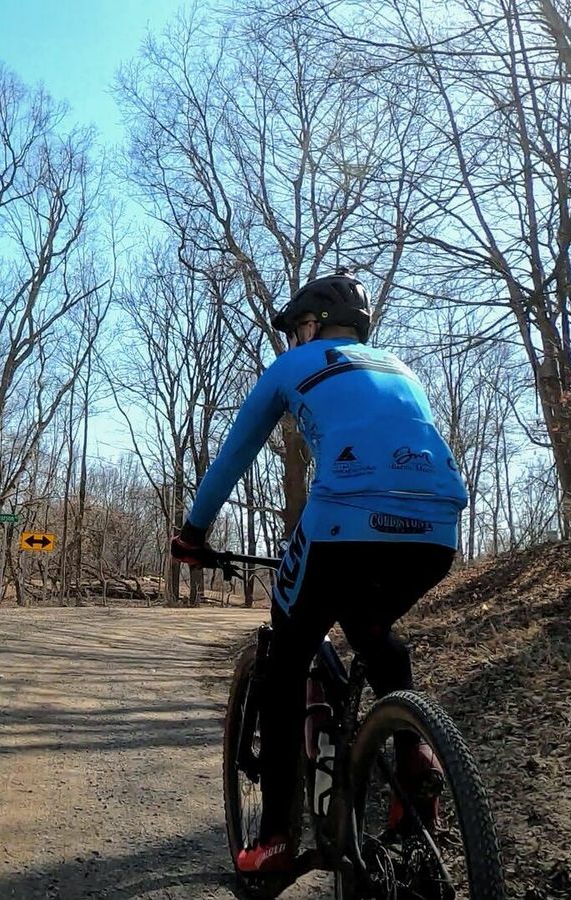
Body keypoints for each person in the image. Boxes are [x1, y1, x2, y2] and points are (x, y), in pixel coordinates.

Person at [170, 270, 467, 874]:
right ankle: (416, 759)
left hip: (342, 525)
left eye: (296, 329)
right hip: (436, 531)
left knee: (287, 657)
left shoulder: (292, 366)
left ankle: (277, 836)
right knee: (374, 631)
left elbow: (234, 454)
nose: (293, 339)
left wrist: (194, 534)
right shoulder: (402, 370)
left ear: (311, 325)